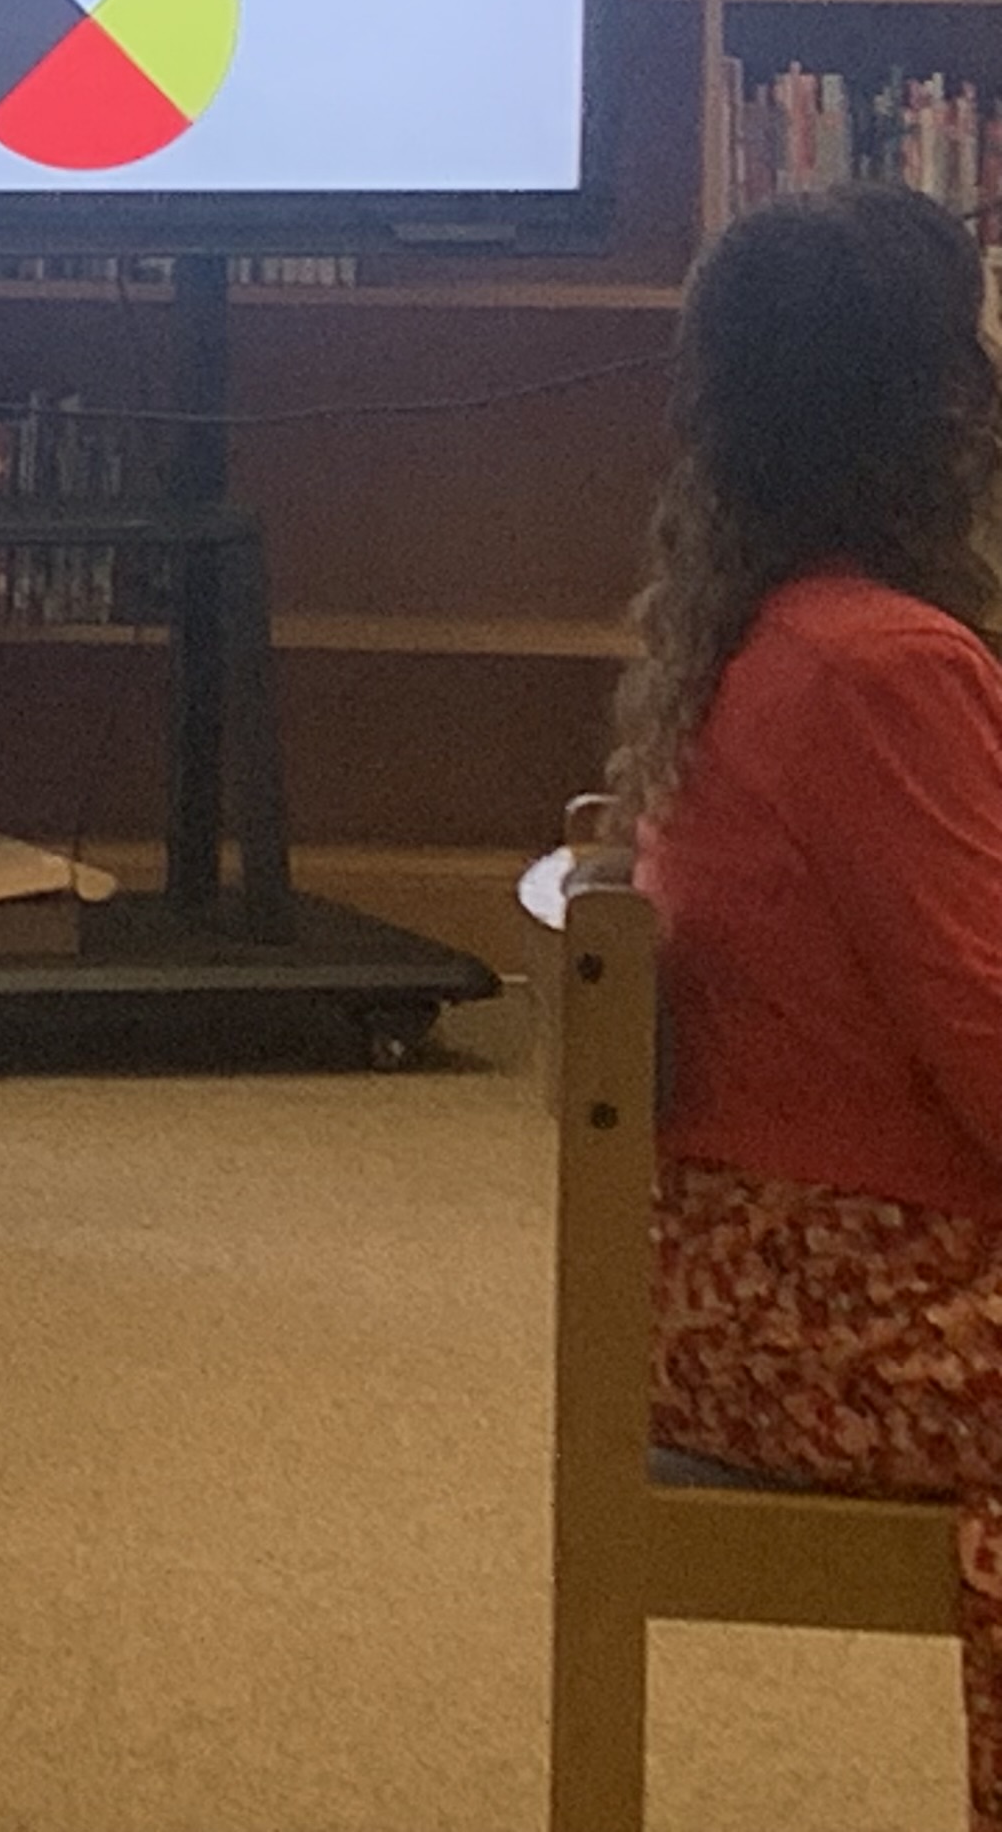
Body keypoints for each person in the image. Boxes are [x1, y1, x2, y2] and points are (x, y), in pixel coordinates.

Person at [614, 179, 1002, 1830]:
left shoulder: (752, 632)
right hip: (857, 1307)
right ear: (927, 411)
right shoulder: (883, 665)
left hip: (740, 1278)